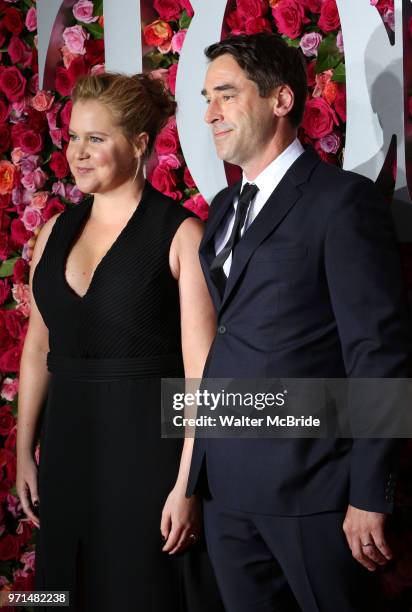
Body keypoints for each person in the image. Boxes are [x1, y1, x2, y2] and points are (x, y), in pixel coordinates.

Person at [186, 33, 412, 612]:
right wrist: (195, 480)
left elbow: (377, 354)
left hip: (317, 495)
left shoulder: (341, 202)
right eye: (207, 97)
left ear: (281, 101)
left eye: (227, 95)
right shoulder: (222, 212)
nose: (210, 112)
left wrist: (370, 492)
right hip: (227, 492)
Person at [16, 72, 224, 611]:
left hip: (148, 460)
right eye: (72, 137)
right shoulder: (53, 232)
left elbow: (202, 374)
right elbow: (39, 346)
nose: (77, 154)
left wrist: (187, 484)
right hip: (66, 452)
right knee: (63, 594)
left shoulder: (181, 234)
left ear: (138, 144)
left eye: (96, 138)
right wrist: (23, 450)